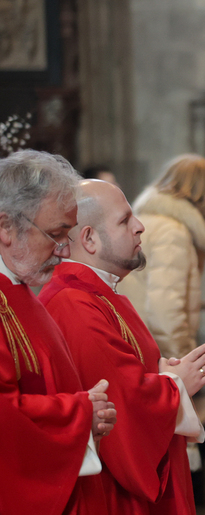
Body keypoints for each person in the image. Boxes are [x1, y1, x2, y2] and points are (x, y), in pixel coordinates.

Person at [40, 179, 205, 515]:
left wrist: (160, 372)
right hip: (113, 495)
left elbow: (125, 375)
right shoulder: (73, 304)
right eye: (125, 220)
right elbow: (120, 405)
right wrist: (176, 385)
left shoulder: (98, 294)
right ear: (89, 239)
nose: (140, 226)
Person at [0, 150, 117, 514]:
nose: (64, 251)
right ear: (5, 227)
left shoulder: (19, 290)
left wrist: (87, 416)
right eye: (55, 234)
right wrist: (80, 413)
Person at [116, 153, 205, 504]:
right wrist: (183, 367)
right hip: (160, 352)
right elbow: (165, 308)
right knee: (187, 445)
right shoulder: (174, 231)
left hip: (135, 343)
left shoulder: (148, 220)